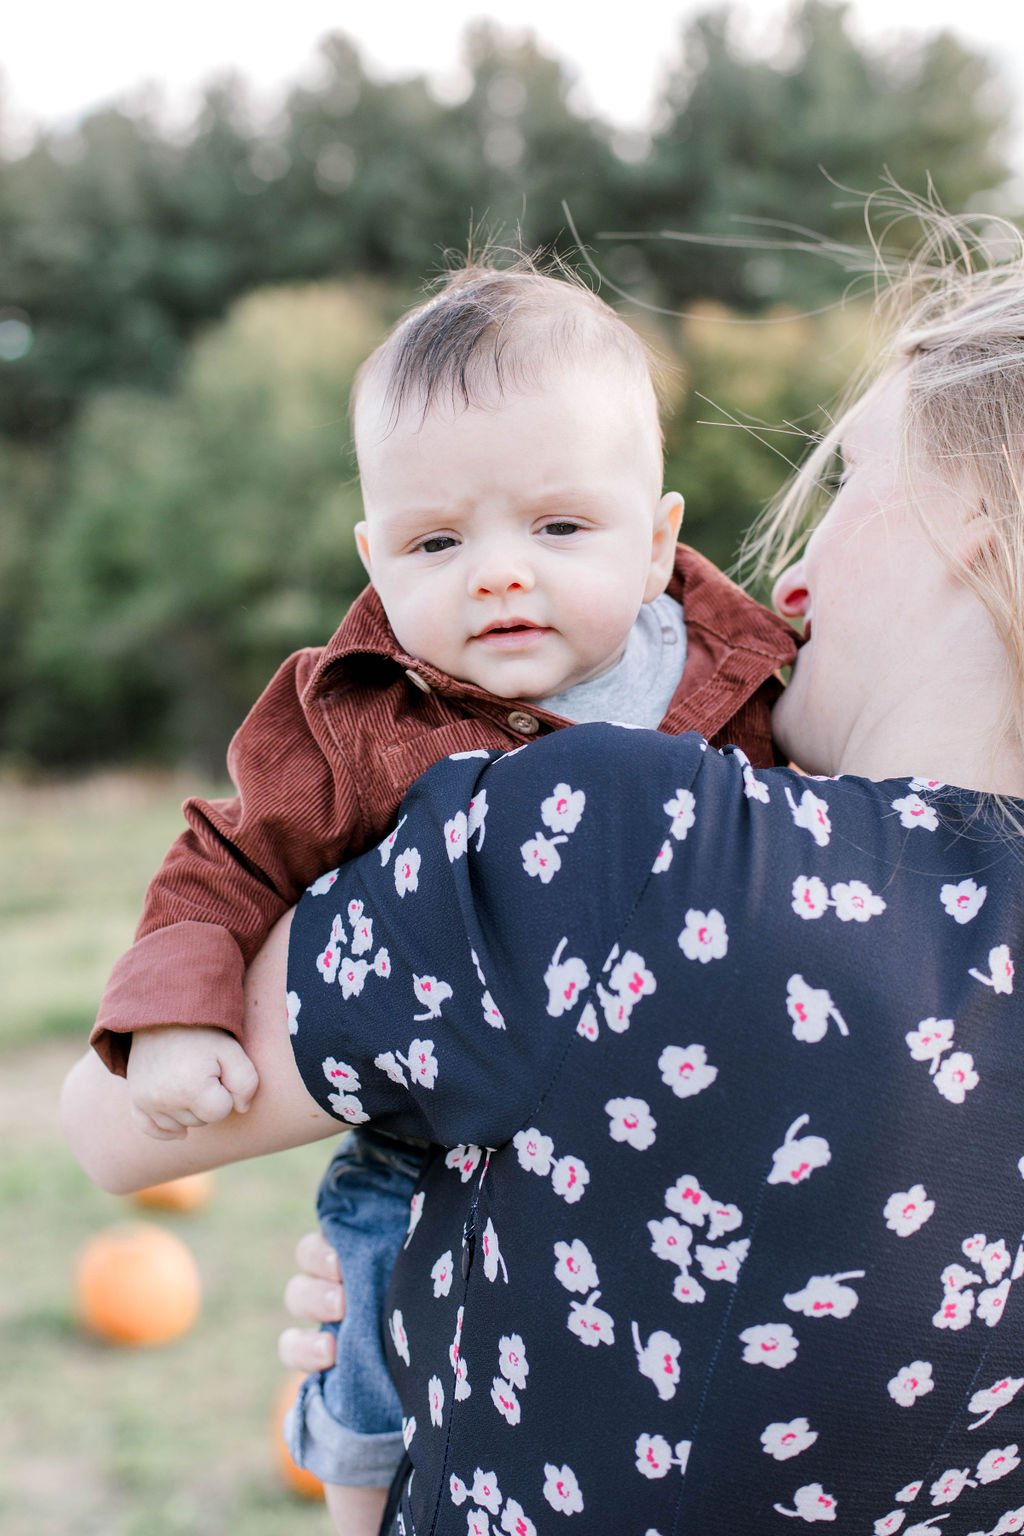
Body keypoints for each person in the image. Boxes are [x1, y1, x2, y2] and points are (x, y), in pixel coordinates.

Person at [63, 209, 1024, 1535]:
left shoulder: (609, 832)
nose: (789, 564)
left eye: (852, 478)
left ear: (977, 509)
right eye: (439, 543)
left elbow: (108, 1126)